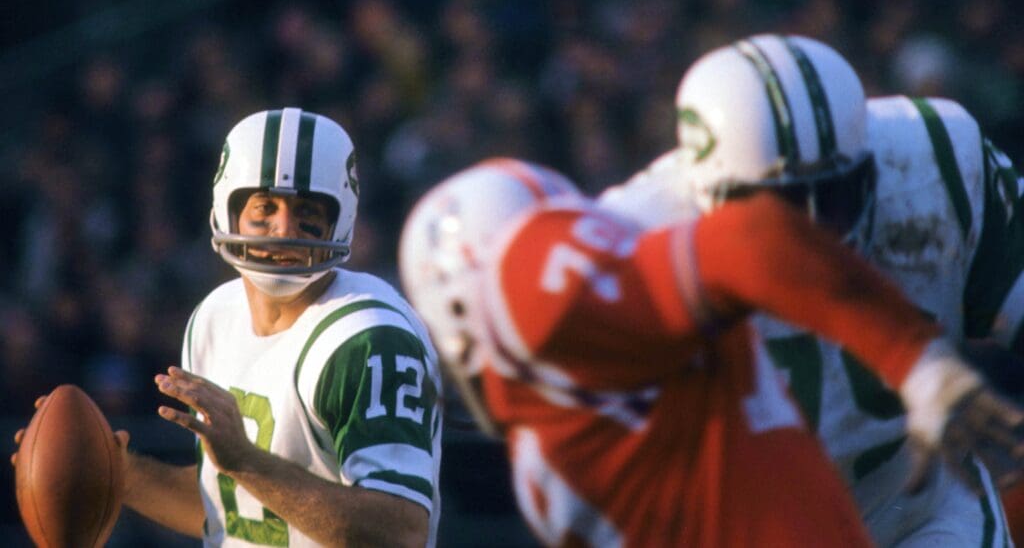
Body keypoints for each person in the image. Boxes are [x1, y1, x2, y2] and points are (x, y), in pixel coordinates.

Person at [398, 156, 1024, 547]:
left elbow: (753, 234)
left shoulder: (523, 287)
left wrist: (913, 359)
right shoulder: (544, 450)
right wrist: (920, 364)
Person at [599, 33, 1024, 545]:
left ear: (868, 167)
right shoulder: (630, 250)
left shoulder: (931, 165)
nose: (812, 234)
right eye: (782, 210)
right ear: (707, 194)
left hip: (918, 513)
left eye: (834, 194)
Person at [15, 108, 443, 547]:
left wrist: (247, 462)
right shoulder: (215, 317)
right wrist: (120, 473)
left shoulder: (369, 337)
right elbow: (236, 511)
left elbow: (400, 531)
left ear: (341, 216)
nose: (283, 229)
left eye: (307, 211)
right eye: (264, 208)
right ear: (228, 206)